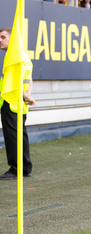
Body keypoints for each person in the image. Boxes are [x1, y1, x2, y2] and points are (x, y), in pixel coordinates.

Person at [0, 27, 36, 180]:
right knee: (22, 135)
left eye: (3, 37)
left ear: (12, 39)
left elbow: (14, 82)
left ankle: (15, 169)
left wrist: (24, 96)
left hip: (11, 101)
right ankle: (25, 168)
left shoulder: (13, 57)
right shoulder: (25, 56)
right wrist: (27, 96)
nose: (0, 40)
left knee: (12, 137)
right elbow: (29, 79)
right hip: (20, 103)